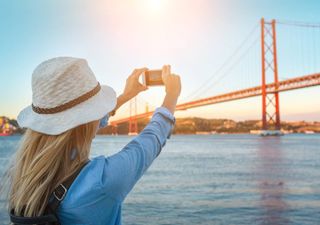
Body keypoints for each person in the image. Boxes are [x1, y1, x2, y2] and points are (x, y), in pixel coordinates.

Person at [7, 57, 181, 224]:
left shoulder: (25, 170)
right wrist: (172, 94)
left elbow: (77, 129)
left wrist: (126, 95)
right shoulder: (101, 183)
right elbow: (152, 138)